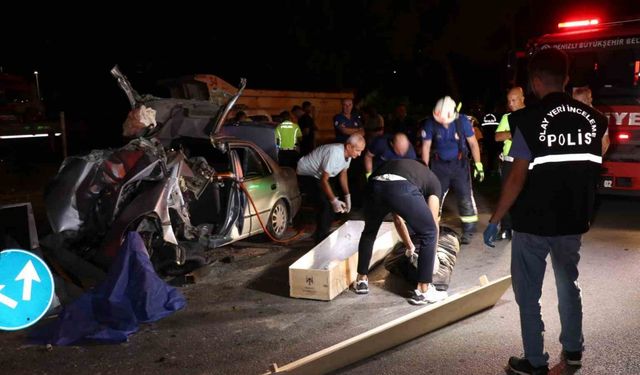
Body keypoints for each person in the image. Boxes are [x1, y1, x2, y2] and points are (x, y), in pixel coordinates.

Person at [483, 48, 608, 374]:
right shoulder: (595, 119)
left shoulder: (527, 119)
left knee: (528, 293)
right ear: (566, 79)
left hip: (533, 222)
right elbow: (596, 159)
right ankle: (573, 351)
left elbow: (516, 178)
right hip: (573, 220)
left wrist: (496, 219)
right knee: (569, 283)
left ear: (535, 81)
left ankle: (535, 361)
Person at [353, 159, 447, 305]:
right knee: (429, 232)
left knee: (369, 232)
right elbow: (432, 225)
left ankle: (361, 280)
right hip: (400, 187)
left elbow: (397, 218)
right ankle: (423, 290)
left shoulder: (407, 170)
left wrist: (410, 247)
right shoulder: (435, 183)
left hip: (374, 186)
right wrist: (431, 258)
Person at [420, 96, 484, 244]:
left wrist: (478, 165)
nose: (443, 123)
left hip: (459, 165)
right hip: (439, 166)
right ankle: (431, 229)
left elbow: (473, 144)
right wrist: (424, 169)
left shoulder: (462, 122)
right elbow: (426, 146)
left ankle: (468, 230)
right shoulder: (430, 124)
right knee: (434, 196)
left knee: (465, 196)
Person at [297, 134, 366, 243]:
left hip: (321, 175)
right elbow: (324, 180)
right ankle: (320, 239)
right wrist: (333, 201)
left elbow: (343, 174)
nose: (359, 154)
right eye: (358, 150)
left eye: (361, 151)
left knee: (334, 202)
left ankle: (323, 232)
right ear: (348, 147)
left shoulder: (348, 155)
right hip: (307, 173)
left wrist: (347, 196)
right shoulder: (335, 153)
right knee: (325, 204)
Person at [493, 86, 526, 241]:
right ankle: (506, 228)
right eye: (509, 101)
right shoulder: (507, 118)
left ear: (522, 99)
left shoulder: (531, 115)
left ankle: (523, 228)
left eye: (514, 100)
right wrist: (513, 134)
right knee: (506, 194)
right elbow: (497, 137)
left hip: (526, 162)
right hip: (509, 162)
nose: (511, 104)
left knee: (525, 194)